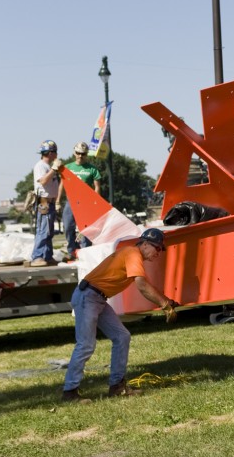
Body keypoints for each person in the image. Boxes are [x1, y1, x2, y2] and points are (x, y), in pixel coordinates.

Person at [61, 228, 179, 403]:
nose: (159, 253)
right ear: (145, 244)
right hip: (89, 297)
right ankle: (69, 393)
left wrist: (167, 301)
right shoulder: (133, 253)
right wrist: (164, 304)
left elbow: (144, 284)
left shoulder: (132, 254)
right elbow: (142, 285)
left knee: (122, 336)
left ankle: (117, 387)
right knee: (85, 345)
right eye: (158, 248)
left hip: (97, 298)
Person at [59, 141, 102, 261]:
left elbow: (97, 186)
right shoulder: (68, 167)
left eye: (83, 154)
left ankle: (86, 250)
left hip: (86, 202)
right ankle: (71, 250)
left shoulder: (92, 169)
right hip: (71, 201)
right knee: (68, 226)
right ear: (74, 153)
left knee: (86, 228)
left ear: (86, 154)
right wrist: (58, 201)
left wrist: (96, 202)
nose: (80, 156)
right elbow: (62, 184)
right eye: (78, 153)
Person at [30, 140, 62, 267]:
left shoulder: (47, 167)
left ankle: (47, 256)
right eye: (55, 152)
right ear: (50, 153)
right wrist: (54, 169)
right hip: (44, 202)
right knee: (43, 230)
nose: (56, 155)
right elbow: (42, 181)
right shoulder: (40, 166)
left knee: (49, 231)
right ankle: (37, 256)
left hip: (50, 202)